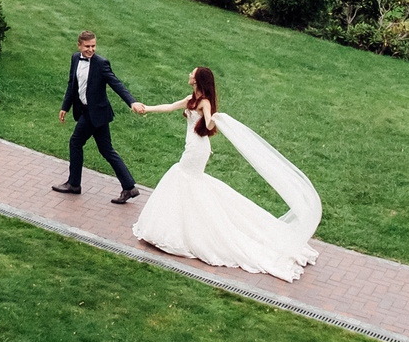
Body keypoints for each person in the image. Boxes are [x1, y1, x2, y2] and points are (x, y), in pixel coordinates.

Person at [128, 66, 320, 281]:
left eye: (192, 74)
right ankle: (181, 227)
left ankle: (185, 230)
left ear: (198, 79)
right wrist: (147, 108)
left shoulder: (205, 102)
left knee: (183, 178)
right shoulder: (192, 99)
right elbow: (171, 106)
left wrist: (215, 120)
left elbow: (208, 122)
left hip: (196, 149)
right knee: (186, 182)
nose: (189, 75)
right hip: (193, 146)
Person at [55, 30, 141, 203]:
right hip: (92, 113)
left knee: (76, 142)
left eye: (93, 46)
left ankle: (74, 184)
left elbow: (116, 83)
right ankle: (129, 187)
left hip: (95, 113)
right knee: (106, 150)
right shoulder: (75, 58)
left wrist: (132, 102)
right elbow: (72, 84)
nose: (91, 49)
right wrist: (65, 106)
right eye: (87, 46)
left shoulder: (101, 63)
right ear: (79, 45)